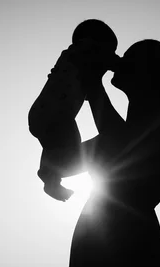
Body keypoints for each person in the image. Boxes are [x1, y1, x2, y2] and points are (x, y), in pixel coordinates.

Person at [48, 39, 160, 267]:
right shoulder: (135, 128)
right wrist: (61, 94)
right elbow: (62, 160)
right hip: (105, 237)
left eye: (129, 58)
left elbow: (118, 143)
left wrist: (93, 87)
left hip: (126, 245)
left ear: (148, 74)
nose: (120, 61)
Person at [28, 19, 119, 202]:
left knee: (55, 146)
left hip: (43, 113)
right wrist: (120, 64)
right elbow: (104, 60)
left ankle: (49, 176)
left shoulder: (72, 62)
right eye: (110, 49)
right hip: (57, 114)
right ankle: (49, 173)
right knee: (70, 148)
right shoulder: (84, 50)